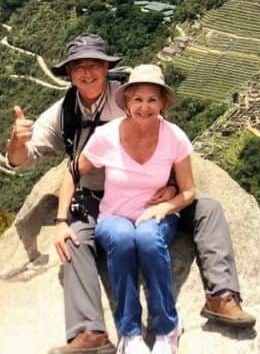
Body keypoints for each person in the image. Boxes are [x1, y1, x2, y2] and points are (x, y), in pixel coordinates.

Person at [7, 34, 255, 354]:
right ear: (68, 73)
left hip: (153, 192)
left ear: (107, 67)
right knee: (73, 241)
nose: (87, 72)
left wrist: (173, 186)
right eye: (78, 66)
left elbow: (162, 140)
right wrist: (17, 141)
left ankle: (221, 296)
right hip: (98, 197)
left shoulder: (131, 93)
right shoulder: (63, 113)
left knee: (207, 207)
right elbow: (22, 160)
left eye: (95, 64)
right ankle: (90, 332)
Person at [58, 64, 192, 354]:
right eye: (138, 99)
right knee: (120, 237)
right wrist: (60, 220)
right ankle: (129, 332)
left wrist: (167, 206)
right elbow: (72, 172)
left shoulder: (175, 137)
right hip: (114, 216)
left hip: (156, 215)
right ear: (127, 102)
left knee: (146, 238)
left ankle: (167, 327)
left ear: (163, 103)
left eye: (152, 99)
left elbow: (189, 191)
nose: (145, 107)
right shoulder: (107, 135)